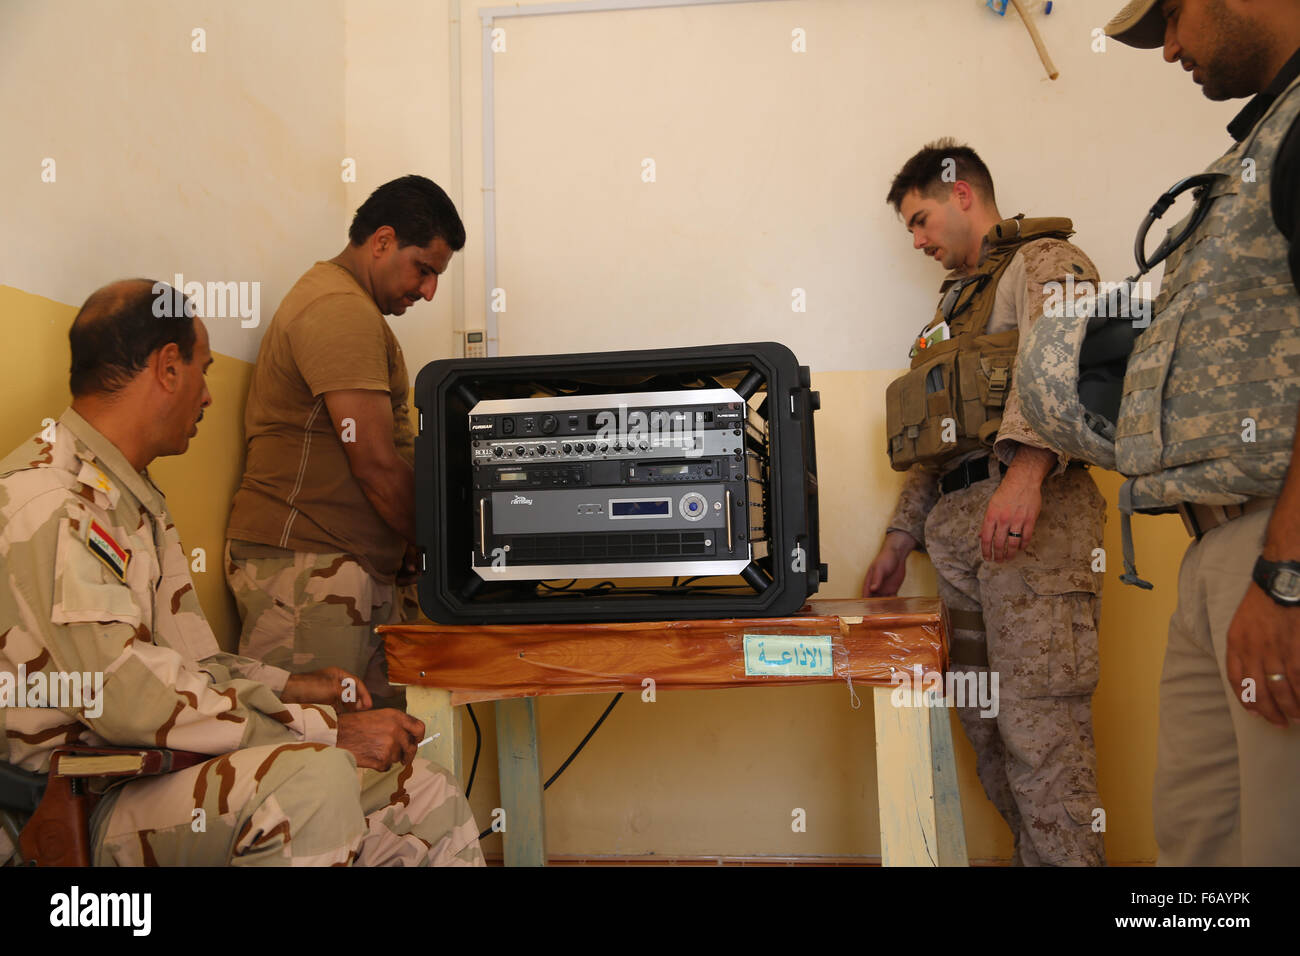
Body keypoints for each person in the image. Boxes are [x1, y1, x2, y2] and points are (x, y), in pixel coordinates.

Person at [0, 280, 482, 866]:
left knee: (424, 790)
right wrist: (324, 730)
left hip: (151, 776)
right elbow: (130, 699)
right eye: (202, 371)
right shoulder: (51, 502)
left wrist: (294, 688)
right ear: (167, 368)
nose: (207, 395)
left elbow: (192, 664)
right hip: (75, 800)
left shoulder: (131, 496)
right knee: (310, 781)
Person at [862, 141, 1108, 865]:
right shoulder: (953, 311)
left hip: (1037, 529)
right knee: (990, 730)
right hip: (963, 539)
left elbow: (1067, 373)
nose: (917, 240)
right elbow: (944, 440)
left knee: (1043, 735)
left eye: (920, 219)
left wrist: (1027, 476)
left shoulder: (1047, 261)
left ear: (961, 193)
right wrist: (900, 536)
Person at [1104, 0, 1300, 865]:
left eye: (1174, 15)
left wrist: (1285, 577)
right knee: (1200, 849)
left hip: (1277, 546)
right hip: (1221, 550)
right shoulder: (1260, 144)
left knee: (1276, 838)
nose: (1171, 46)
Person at [224, 175, 465, 704]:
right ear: (381, 241)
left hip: (338, 566)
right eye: (424, 269)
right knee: (316, 756)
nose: (428, 290)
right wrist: (443, 546)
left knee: (373, 755)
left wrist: (406, 541)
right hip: (309, 572)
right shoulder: (339, 311)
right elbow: (376, 464)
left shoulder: (348, 307)